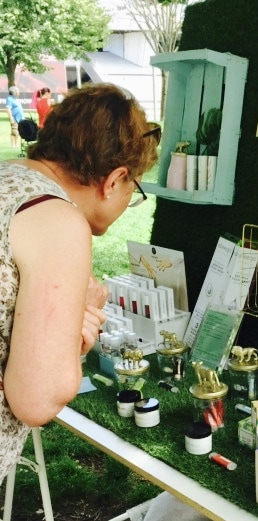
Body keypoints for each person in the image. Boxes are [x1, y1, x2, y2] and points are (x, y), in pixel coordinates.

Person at [0, 83, 160, 484]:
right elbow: (37, 399)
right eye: (134, 189)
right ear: (115, 179)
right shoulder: (57, 220)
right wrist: (75, 331)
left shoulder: (8, 178)